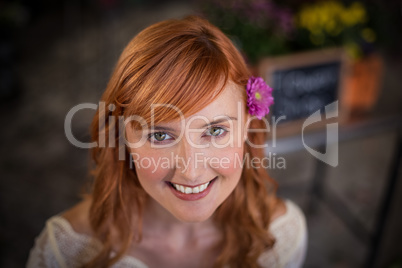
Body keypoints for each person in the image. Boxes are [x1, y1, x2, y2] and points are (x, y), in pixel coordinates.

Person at [27, 15, 307, 268]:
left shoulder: (282, 238)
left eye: (215, 131)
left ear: (246, 125)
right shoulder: (64, 253)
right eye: (160, 135)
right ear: (124, 138)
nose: (191, 171)